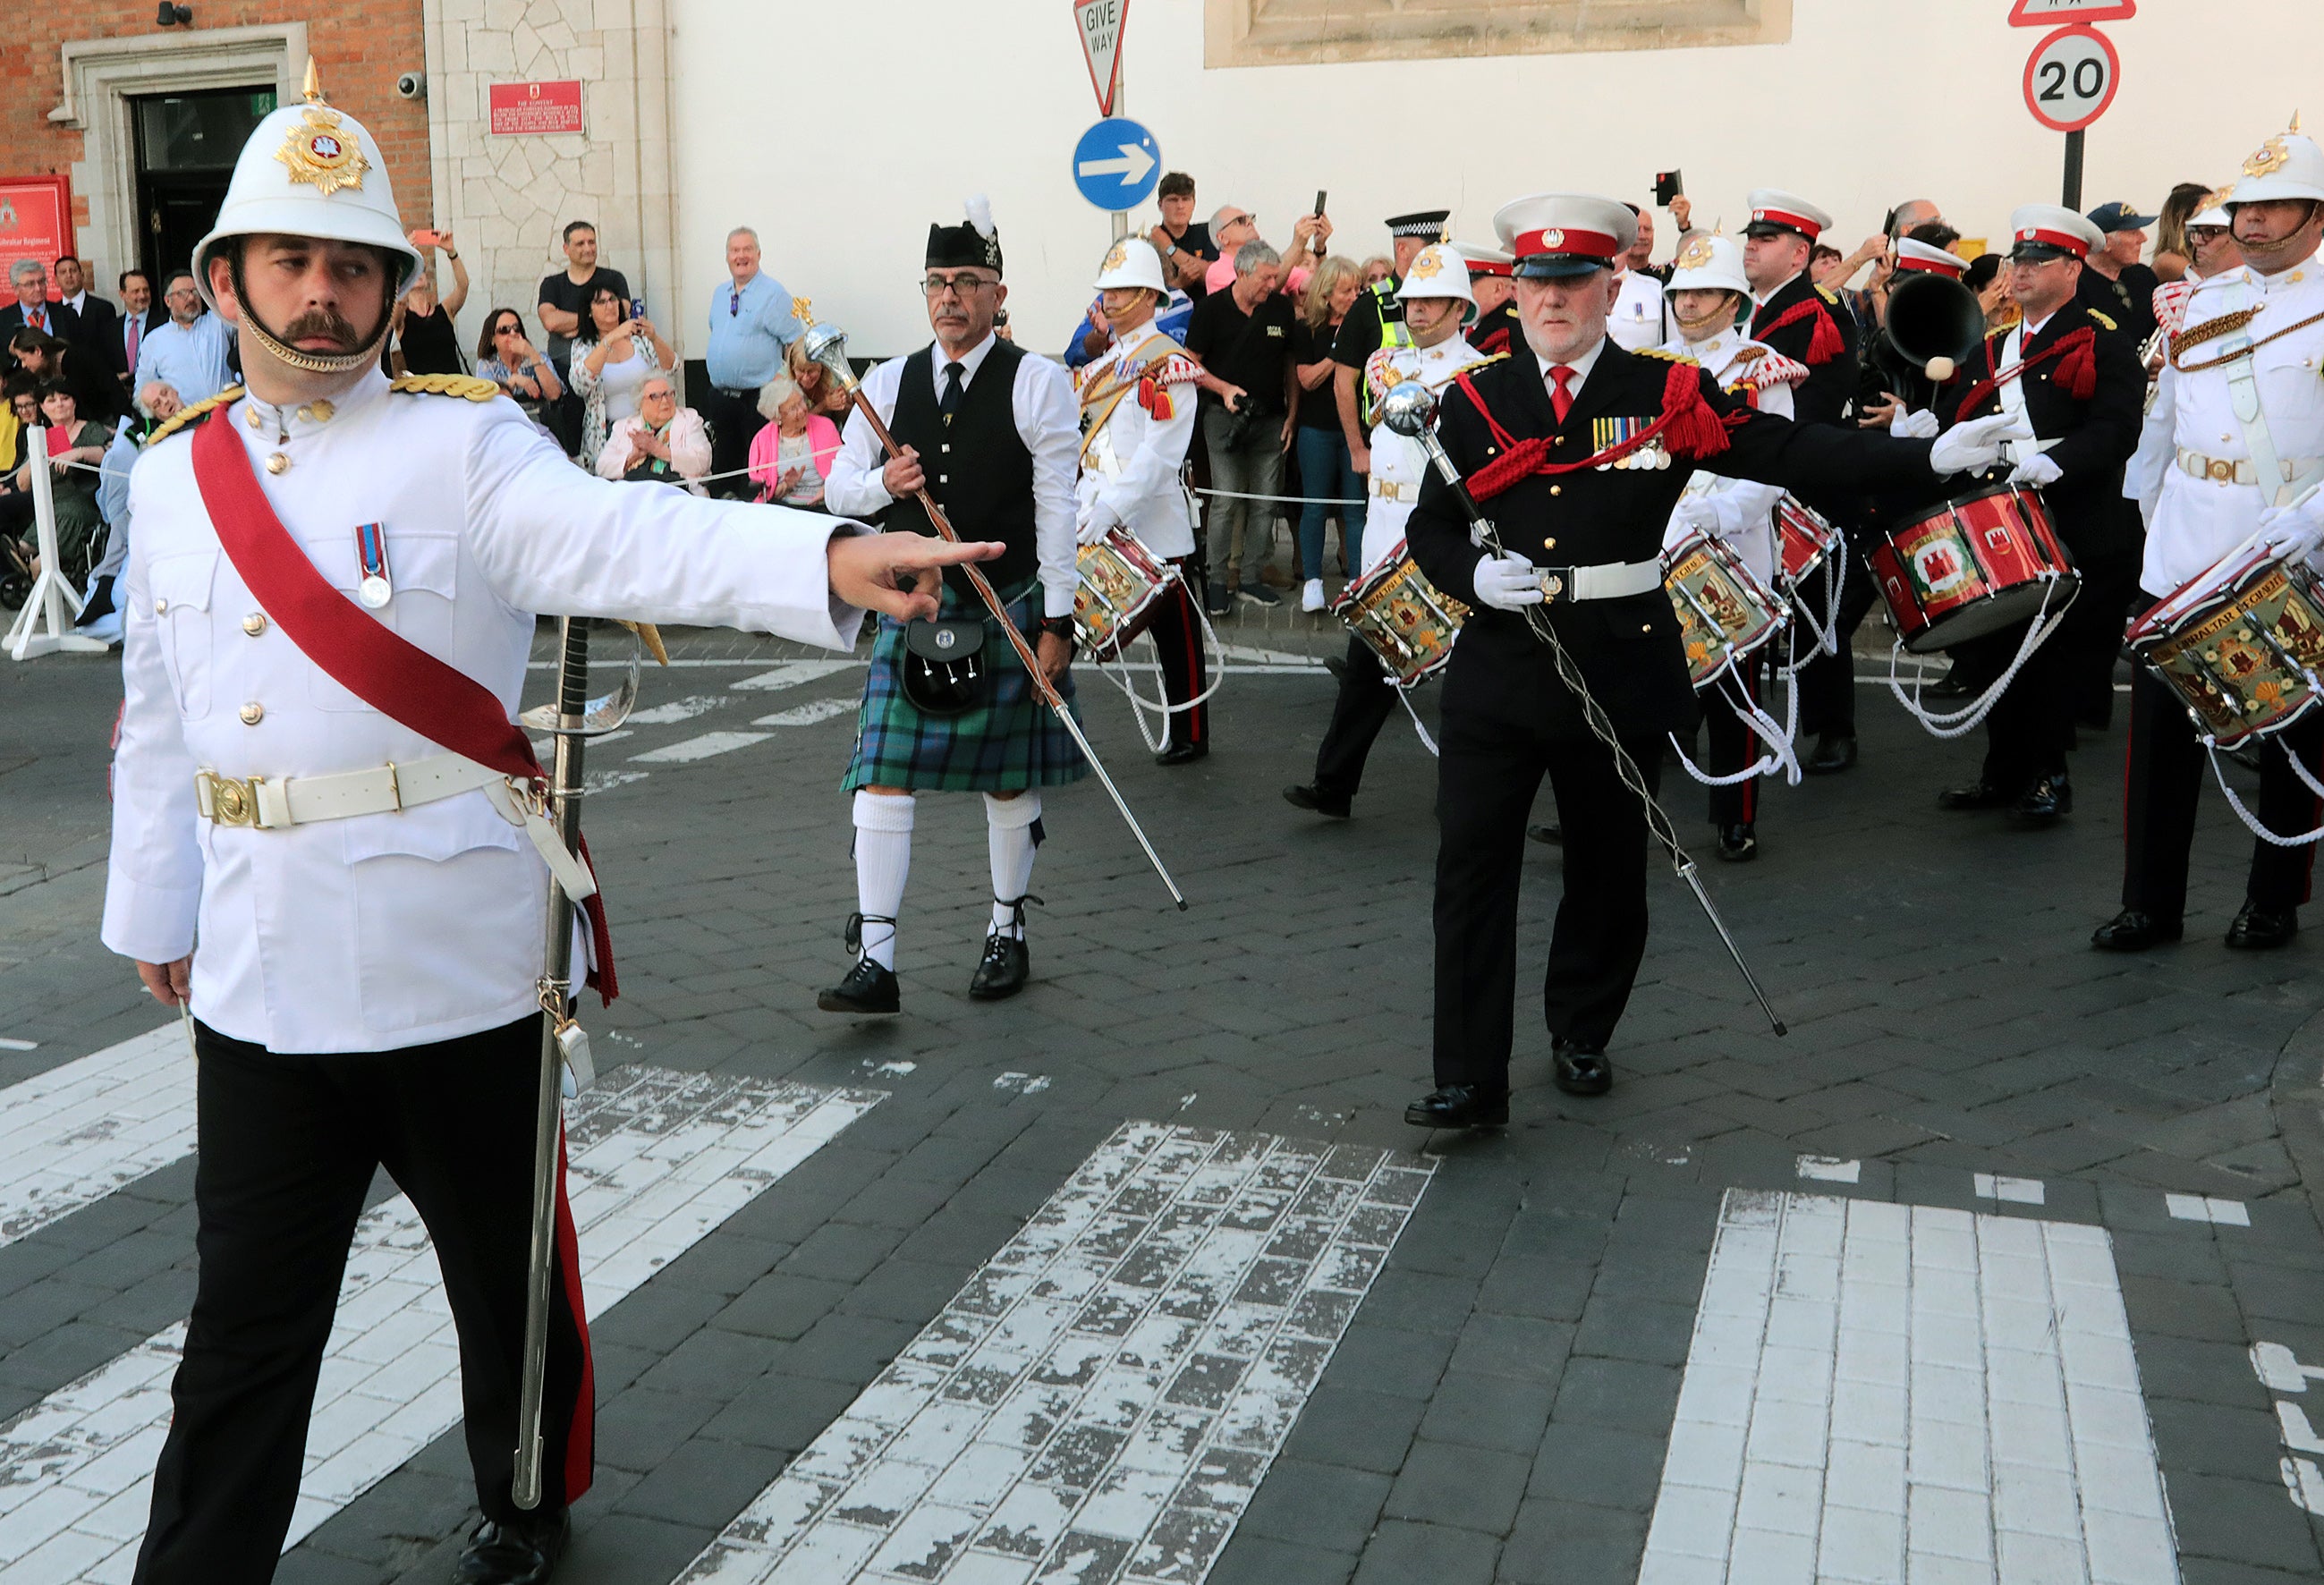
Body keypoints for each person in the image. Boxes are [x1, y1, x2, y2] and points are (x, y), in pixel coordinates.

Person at [101, 72, 994, 1585]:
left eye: (352, 269)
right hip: (262, 975)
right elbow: (159, 717)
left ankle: (524, 1491)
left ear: (390, 288)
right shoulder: (175, 474)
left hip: (454, 967)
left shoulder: (464, 448)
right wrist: (155, 911)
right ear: (229, 275)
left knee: (506, 1284)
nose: (321, 299)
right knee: (245, 1325)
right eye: (291, 264)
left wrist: (827, 557)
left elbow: (627, 535)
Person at [1399, 191, 2019, 1129]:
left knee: (1608, 871)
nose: (1552, 301)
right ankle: (1469, 1074)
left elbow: (1790, 449)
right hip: (1503, 665)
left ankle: (1581, 1030)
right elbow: (1430, 528)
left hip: (1619, 658)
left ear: (1612, 287)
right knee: (1470, 871)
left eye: (1572, 283)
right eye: (1535, 282)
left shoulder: (1665, 392)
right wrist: (1474, 578)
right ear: (1513, 290)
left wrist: (1928, 463)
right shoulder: (1476, 399)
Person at [819, 197, 1085, 1014]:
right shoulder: (888, 380)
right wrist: (880, 485)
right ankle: (876, 957)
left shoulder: (1038, 382)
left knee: (1006, 784)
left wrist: (1058, 624)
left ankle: (1007, 930)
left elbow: (1057, 512)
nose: (949, 297)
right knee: (881, 780)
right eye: (937, 281)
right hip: (916, 609)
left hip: (1004, 603)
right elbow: (836, 487)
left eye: (967, 281)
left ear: (998, 293)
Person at [2101, 123, 2324, 953]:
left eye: (2272, 207)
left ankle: (2274, 896)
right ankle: (2150, 903)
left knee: (2287, 736)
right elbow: (2161, 428)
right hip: (2185, 547)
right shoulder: (2201, 306)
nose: (2252, 222)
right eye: (2246, 208)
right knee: (2159, 743)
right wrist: (2149, 525)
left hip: (2289, 547)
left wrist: (2307, 528)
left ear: (2316, 214)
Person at [1919, 207, 2144, 826]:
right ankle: (2003, 771)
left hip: (2070, 516)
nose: (2017, 273)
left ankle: (2050, 776)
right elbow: (1966, 419)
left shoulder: (2103, 338)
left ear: (2072, 269)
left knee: (2049, 656)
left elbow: (2119, 429)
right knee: (1996, 647)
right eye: (2016, 261)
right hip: (1999, 514)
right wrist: (1927, 434)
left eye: (2035, 262)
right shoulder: (1992, 346)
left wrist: (2060, 463)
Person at [1285, 242, 1492, 822]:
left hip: (1445, 546)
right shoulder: (1385, 365)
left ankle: (1463, 794)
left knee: (1466, 685)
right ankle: (1333, 784)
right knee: (1365, 673)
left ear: (1460, 308)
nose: (1417, 312)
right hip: (1385, 538)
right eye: (1411, 302)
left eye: (1430, 303)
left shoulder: (1481, 378)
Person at [1656, 233, 1810, 862]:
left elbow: (1774, 466)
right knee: (1646, 688)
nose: (1688, 304)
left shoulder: (1761, 368)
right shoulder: (1648, 361)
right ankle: (1620, 807)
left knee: (1732, 696)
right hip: (1657, 544)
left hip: (1733, 550)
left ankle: (1736, 817)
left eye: (1701, 293)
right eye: (1681, 293)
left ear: (1732, 300)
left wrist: (1716, 512)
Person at [1742, 189, 1869, 775]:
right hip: (1749, 474)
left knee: (1818, 610)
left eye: (1765, 240)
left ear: (1798, 255)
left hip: (1804, 482)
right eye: (1752, 237)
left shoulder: (1819, 314)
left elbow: (1817, 402)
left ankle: (1832, 728)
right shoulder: (1743, 309)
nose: (1751, 247)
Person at [1074, 238, 1210, 765]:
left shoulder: (1168, 365)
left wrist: (1114, 507)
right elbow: (1090, 447)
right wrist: (1086, 506)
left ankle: (1191, 729)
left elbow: (1159, 456)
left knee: (1175, 637)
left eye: (1123, 290)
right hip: (1098, 515)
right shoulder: (1101, 370)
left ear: (1149, 296)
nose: (1110, 300)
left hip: (1151, 521)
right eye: (1107, 290)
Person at [1185, 240, 1298, 613]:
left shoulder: (1280, 308)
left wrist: (1292, 416)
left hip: (1271, 419)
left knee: (1266, 503)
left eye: (1275, 277)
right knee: (1227, 499)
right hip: (1223, 418)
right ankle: (1218, 581)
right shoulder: (1211, 310)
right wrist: (1224, 389)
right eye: (1266, 278)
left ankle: (1251, 578)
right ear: (1243, 272)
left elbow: (1290, 366)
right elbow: (1190, 363)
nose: (1273, 284)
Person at [1332, 210, 1450, 494]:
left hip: (1441, 437)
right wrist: (1357, 449)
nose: (1438, 254)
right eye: (1430, 247)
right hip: (1384, 440)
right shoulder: (1367, 307)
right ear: (1402, 249)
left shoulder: (1448, 298)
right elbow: (1343, 383)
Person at [1290, 255, 1368, 606]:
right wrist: (1340, 352)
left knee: (1355, 509)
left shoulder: (1367, 328)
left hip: (1356, 432)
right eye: (1346, 290)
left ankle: (1358, 582)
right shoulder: (1308, 330)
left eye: (1357, 289)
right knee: (1315, 506)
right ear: (1326, 294)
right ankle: (1313, 583)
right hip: (1316, 429)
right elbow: (1305, 379)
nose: (1354, 296)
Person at [703, 226, 802, 498]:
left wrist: (784, 377)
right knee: (723, 474)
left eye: (747, 249)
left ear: (758, 254)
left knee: (754, 478)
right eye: (735, 250)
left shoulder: (774, 294)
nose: (741, 256)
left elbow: (796, 341)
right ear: (727, 257)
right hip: (722, 398)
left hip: (757, 401)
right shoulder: (719, 294)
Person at [534, 220, 630, 454]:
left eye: (592, 242)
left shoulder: (613, 279)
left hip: (608, 376)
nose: (588, 248)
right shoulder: (552, 284)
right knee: (570, 449)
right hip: (565, 376)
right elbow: (550, 321)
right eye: (580, 243)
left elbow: (620, 316)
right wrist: (595, 321)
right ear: (566, 249)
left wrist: (573, 324)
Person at [9, 380, 109, 577]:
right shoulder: (44, 436)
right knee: (23, 547)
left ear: (74, 403)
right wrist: (37, 457)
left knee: (39, 563)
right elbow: (22, 485)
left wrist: (80, 453)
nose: (59, 404)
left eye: (65, 398)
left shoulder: (91, 429)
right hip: (52, 506)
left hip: (84, 503)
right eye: (51, 400)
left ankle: (28, 567)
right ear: (43, 408)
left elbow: (110, 455)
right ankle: (20, 558)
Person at [569, 285, 674, 464]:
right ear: (589, 311)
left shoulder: (639, 340)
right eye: (601, 302)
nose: (609, 306)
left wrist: (655, 338)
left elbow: (671, 368)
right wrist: (610, 338)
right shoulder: (583, 346)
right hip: (607, 433)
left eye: (612, 299)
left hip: (649, 429)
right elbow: (580, 383)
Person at [135, 272, 235, 418]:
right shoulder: (154, 341)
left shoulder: (219, 322)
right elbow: (143, 392)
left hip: (229, 414)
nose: (191, 297)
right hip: (187, 426)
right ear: (168, 301)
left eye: (195, 292)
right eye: (182, 293)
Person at [596, 372, 709, 490]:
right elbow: (602, 468)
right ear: (640, 402)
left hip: (678, 492)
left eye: (668, 394)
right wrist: (632, 457)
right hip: (634, 492)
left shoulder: (689, 419)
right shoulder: (623, 427)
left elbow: (702, 462)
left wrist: (658, 450)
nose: (665, 401)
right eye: (655, 396)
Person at [747, 373, 843, 507]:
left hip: (824, 505)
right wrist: (787, 485)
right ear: (777, 417)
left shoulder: (825, 427)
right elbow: (764, 492)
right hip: (785, 508)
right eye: (793, 408)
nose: (802, 410)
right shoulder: (762, 439)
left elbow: (844, 469)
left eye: (801, 402)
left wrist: (828, 490)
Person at [383, 230, 469, 377]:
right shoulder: (402, 318)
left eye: (421, 270)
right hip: (423, 394)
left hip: (454, 390)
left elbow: (463, 285)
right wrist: (403, 257)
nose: (418, 274)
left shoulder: (445, 310)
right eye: (413, 271)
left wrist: (451, 251)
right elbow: (396, 301)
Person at [2082, 201, 2161, 346]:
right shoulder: (2075, 285)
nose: (2143, 238)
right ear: (2105, 243)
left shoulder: (2143, 277)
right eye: (2133, 233)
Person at [474, 307, 565, 428]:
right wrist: (514, 381)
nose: (512, 334)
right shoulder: (487, 365)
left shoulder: (539, 357)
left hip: (540, 426)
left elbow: (554, 394)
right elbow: (488, 403)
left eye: (516, 329)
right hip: (505, 426)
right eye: (504, 330)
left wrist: (532, 354)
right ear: (493, 340)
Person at [1608, 203, 1670, 350]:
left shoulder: (1656, 291)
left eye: (1619, 243)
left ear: (1628, 244)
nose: (1612, 251)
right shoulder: (1580, 291)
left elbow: (1673, 347)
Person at [1149, 172, 1217, 295]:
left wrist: (1169, 248)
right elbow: (1145, 296)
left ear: (1194, 203)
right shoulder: (1150, 244)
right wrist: (1178, 284)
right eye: (1173, 200)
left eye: (1186, 199)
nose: (1180, 206)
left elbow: (1215, 276)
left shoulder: (1207, 233)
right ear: (1160, 204)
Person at [1462, 243, 1520, 359]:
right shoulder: (1457, 325)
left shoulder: (1513, 332)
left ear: (1498, 289)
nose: (1461, 292)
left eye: (1468, 285)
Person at [0, 259, 77, 341]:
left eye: (41, 282)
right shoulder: (3, 319)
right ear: (16, 289)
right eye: (30, 284)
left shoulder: (66, 313)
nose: (38, 288)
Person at [788, 334, 856, 422]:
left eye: (811, 371)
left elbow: (851, 418)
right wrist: (824, 406)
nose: (806, 378)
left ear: (822, 367)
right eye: (801, 371)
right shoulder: (785, 386)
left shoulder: (835, 379)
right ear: (792, 367)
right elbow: (792, 424)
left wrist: (842, 402)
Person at [1198, 206, 1262, 295]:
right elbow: (1260, 290)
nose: (1249, 223)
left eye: (1250, 218)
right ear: (1222, 237)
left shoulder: (1266, 261)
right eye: (1240, 221)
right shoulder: (1217, 272)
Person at [116, 269, 160, 395]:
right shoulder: (110, 329)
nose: (142, 296)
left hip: (154, 397)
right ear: (122, 294)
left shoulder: (164, 323)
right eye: (136, 291)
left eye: (145, 290)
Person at [1965, 251, 2020, 335]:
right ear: (1977, 290)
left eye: (2012, 283)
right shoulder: (1960, 318)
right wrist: (1981, 310)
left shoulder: (2020, 318)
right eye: (2001, 285)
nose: (2009, 290)